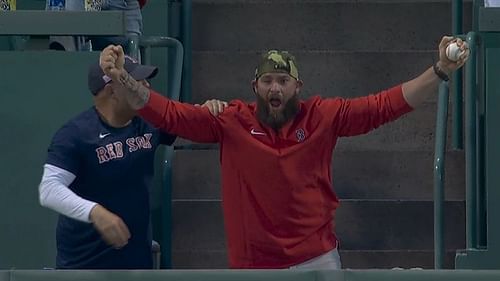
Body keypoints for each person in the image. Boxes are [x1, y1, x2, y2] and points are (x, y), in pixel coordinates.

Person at [98, 36, 469, 269]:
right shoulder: (230, 120)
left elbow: (384, 105)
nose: (275, 88)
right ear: (255, 86)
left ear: (297, 87)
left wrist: (439, 70)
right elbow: (166, 112)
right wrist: (121, 78)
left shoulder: (323, 115)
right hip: (254, 267)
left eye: (283, 81)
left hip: (317, 260)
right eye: (268, 81)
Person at [38, 55, 226, 269]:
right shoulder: (76, 134)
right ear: (112, 91)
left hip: (136, 266)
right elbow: (49, 190)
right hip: (84, 268)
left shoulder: (149, 121)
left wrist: (207, 110)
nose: (146, 86)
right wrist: (96, 213)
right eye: (137, 81)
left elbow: (187, 122)